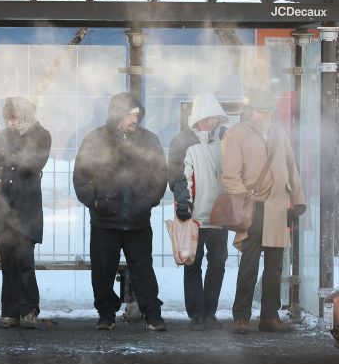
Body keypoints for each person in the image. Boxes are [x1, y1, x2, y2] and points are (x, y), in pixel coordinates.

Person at [73, 92, 168, 331]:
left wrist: (149, 201)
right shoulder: (95, 139)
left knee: (143, 269)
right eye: (130, 115)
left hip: (138, 220)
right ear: (117, 115)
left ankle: (152, 314)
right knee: (103, 271)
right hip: (104, 220)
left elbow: (160, 175)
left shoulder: (149, 140)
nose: (135, 119)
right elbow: (81, 177)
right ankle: (106, 314)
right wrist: (95, 202)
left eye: (137, 115)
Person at [222, 89, 306, 334]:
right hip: (253, 208)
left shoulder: (279, 132)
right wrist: (245, 199)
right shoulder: (236, 133)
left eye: (268, 111)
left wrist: (298, 200)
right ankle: (241, 316)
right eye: (260, 110)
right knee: (248, 265)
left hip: (278, 209)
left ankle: (269, 317)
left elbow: (291, 167)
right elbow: (230, 174)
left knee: (275, 268)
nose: (265, 115)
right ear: (250, 112)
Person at [0, 97, 51, 329]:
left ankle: (29, 309)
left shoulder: (41, 135)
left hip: (25, 208)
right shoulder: (3, 136)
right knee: (8, 263)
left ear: (22, 116)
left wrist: (7, 150)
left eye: (12, 117)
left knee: (24, 262)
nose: (9, 122)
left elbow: (34, 163)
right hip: (2, 207)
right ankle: (9, 312)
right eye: (6, 118)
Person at [167, 92, 229, 330]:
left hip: (220, 215)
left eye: (214, 119)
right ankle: (196, 314)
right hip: (192, 215)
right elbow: (177, 174)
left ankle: (210, 311)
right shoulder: (183, 141)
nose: (210, 123)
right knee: (192, 264)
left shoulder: (225, 139)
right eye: (206, 118)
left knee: (218, 264)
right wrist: (183, 202)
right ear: (196, 119)